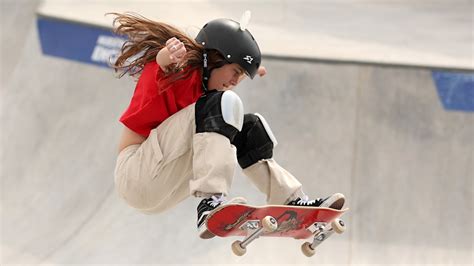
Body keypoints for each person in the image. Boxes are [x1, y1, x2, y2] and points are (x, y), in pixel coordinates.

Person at [111, 12, 345, 238]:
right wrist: (165, 58)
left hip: (164, 185)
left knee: (249, 127)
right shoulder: (178, 71)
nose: (235, 81)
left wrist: (246, 67)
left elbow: (214, 104)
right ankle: (210, 202)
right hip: (135, 173)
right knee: (221, 105)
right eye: (235, 72)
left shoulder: (205, 92)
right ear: (213, 59)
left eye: (241, 76)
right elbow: (161, 71)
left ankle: (291, 200)